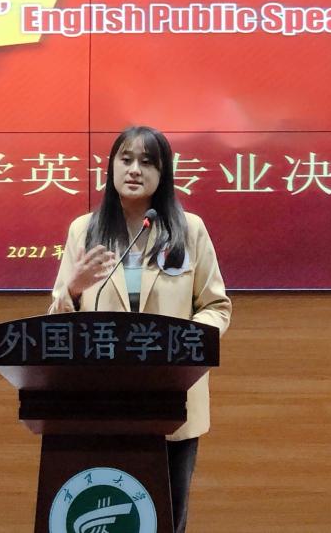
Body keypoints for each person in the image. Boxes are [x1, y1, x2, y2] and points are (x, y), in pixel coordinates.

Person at [48, 125, 232, 533]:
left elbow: (216, 307)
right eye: (126, 159)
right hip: (103, 399)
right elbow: (57, 323)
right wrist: (73, 289)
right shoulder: (85, 230)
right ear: (111, 167)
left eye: (148, 162)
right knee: (111, 513)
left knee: (166, 517)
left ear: (163, 174)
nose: (135, 170)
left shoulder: (189, 230)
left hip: (173, 398)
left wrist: (184, 346)